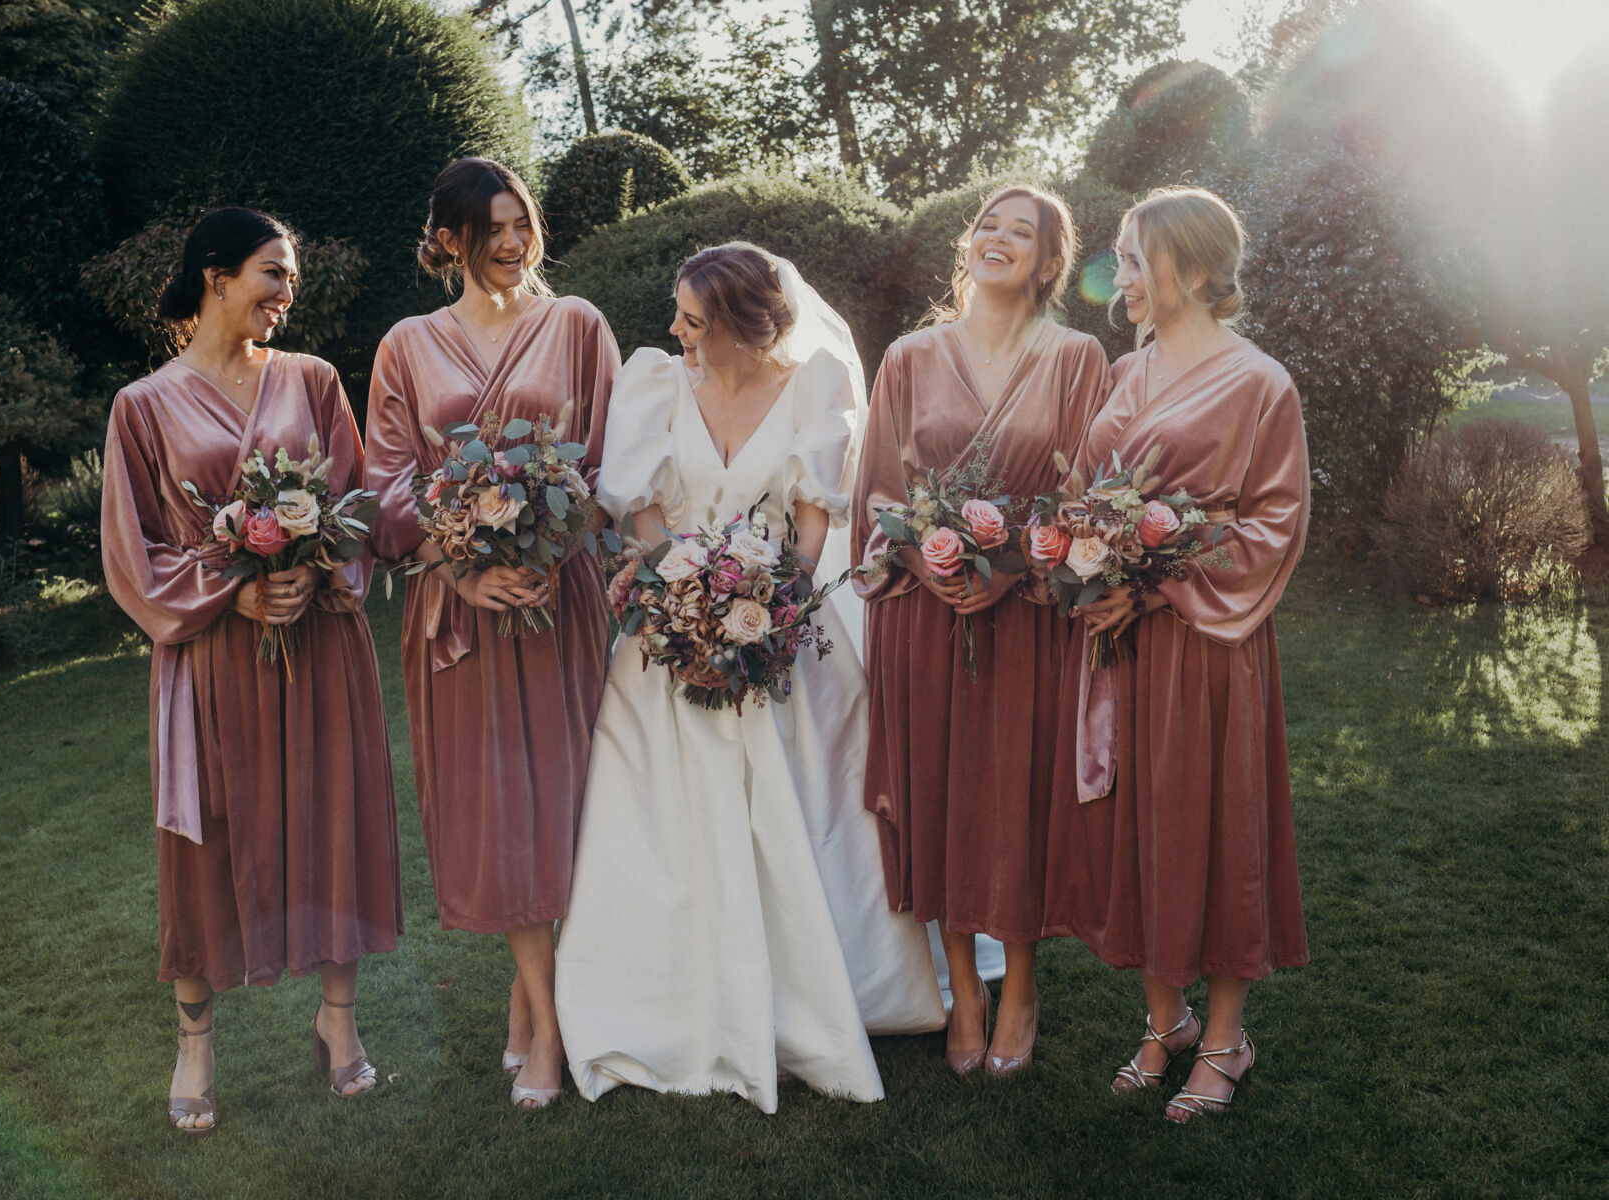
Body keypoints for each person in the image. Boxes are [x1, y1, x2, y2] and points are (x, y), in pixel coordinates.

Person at [554, 243, 945, 1114]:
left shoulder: (813, 389)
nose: (674, 329)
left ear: (736, 322)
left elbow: (813, 525)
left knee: (803, 805)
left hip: (785, 636)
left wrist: (771, 612)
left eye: (692, 317)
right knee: (658, 823)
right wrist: (681, 596)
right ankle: (661, 1003)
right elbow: (643, 511)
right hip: (670, 637)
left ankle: (824, 996)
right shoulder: (657, 380)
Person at [101, 207, 402, 1135]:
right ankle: (195, 1045)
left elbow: (355, 502)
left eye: (291, 278)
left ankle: (338, 1025)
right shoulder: (142, 406)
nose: (286, 293)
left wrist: (315, 570)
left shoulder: (313, 381)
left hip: (318, 647)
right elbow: (130, 549)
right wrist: (230, 595)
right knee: (206, 843)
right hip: (210, 659)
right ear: (215, 276)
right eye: (273, 273)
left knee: (335, 819)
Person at [364, 158, 619, 1110]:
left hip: (562, 604)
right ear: (450, 241)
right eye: (491, 229)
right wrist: (465, 558)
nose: (513, 243)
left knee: (567, 805)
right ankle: (552, 1030)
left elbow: (608, 455)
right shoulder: (406, 346)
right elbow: (384, 482)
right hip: (459, 613)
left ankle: (531, 1005)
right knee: (501, 814)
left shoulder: (580, 326)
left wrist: (550, 543)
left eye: (523, 223)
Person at [850, 184, 1109, 1077]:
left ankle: (1024, 983)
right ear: (969, 247)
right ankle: (963, 988)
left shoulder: (1077, 359)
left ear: (1047, 264)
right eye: (988, 226)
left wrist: (1017, 571)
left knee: (1019, 799)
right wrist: (933, 562)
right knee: (942, 796)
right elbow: (880, 492)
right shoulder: (909, 358)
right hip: (928, 618)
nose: (998, 238)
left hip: (1029, 621)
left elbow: (1087, 498)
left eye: (1022, 232)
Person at [1066, 186, 1310, 1123]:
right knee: (1131, 820)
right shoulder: (1129, 374)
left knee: (1213, 822)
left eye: (1134, 259)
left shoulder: (1260, 383)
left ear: (1194, 269)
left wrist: (1160, 578)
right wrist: (1089, 559)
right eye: (1120, 258)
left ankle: (1225, 1039)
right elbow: (1090, 486)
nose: (1120, 276)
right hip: (1117, 642)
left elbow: (1275, 522)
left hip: (1208, 643)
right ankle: (1164, 1019)